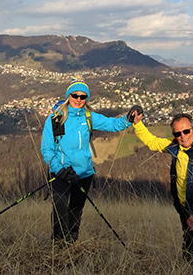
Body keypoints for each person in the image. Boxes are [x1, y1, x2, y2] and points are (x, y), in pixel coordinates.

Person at [41, 74, 136, 245]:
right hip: (61, 173)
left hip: (84, 174)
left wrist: (129, 119)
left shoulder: (89, 117)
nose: (78, 99)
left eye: (82, 96)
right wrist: (60, 170)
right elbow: (47, 149)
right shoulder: (56, 119)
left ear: (86, 98)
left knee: (76, 211)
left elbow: (113, 124)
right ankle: (58, 245)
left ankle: (71, 244)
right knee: (60, 208)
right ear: (68, 96)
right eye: (74, 95)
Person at [131, 112, 193, 275]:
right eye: (177, 133)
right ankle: (188, 267)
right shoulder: (174, 146)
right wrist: (137, 124)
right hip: (183, 204)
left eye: (186, 131)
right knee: (189, 238)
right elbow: (153, 142)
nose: (182, 136)